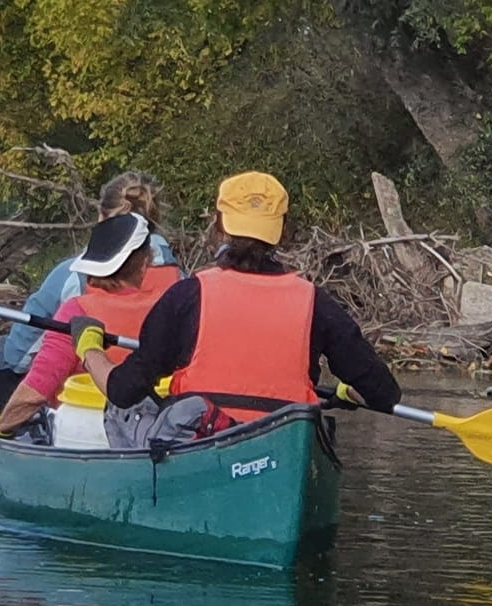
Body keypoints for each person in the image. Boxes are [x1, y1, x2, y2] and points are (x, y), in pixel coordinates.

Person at [75, 171, 400, 443]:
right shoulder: (317, 302)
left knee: (123, 410)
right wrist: (346, 393)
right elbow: (384, 394)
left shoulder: (187, 296)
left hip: (202, 443)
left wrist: (89, 349)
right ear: (283, 232)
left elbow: (121, 391)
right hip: (283, 443)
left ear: (219, 225)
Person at [0, 171, 181, 413]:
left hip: (81, 402)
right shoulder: (183, 280)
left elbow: (18, 357)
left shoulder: (71, 275)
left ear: (101, 216)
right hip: (157, 400)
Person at [0, 213, 177, 439]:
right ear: (145, 264)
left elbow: (36, 393)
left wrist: (2, 426)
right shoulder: (170, 305)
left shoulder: (77, 311)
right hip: (153, 422)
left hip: (82, 427)